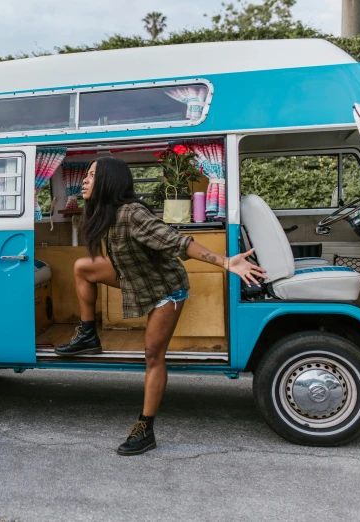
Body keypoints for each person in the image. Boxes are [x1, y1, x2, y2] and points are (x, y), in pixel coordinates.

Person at [54, 157, 265, 456]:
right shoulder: (104, 213)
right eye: (85, 175)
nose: (85, 181)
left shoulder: (132, 213)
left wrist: (225, 261)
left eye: (91, 176)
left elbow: (177, 242)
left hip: (166, 288)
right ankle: (88, 335)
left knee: (153, 354)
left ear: (109, 182)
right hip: (136, 276)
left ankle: (145, 428)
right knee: (82, 267)